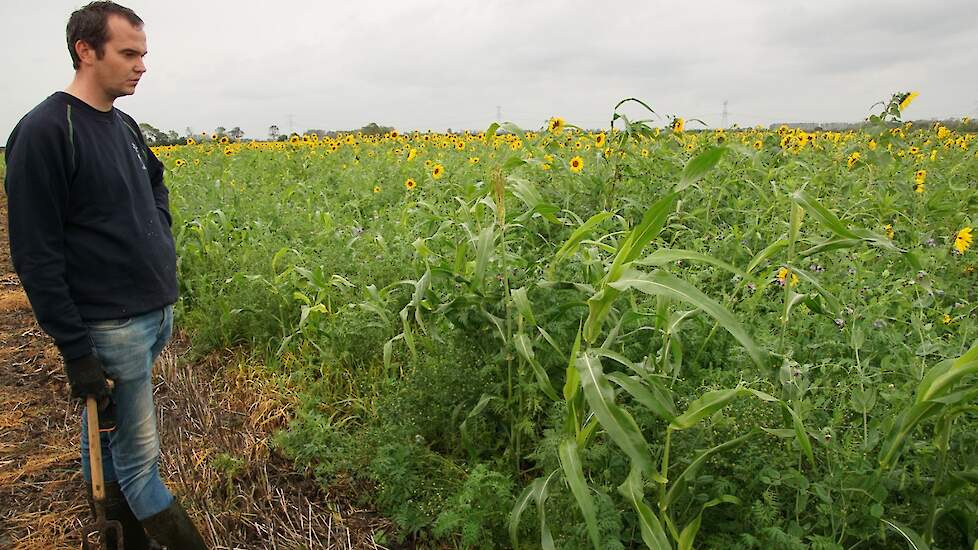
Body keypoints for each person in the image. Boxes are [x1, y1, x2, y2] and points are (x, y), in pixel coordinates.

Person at [3, 2, 206, 548]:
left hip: (151, 315)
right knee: (142, 465)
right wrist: (76, 351)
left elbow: (155, 182)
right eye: (129, 53)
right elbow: (36, 256)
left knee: (111, 436)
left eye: (144, 54)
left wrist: (157, 228)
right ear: (85, 51)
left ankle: (122, 538)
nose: (142, 66)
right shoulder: (46, 131)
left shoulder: (124, 125)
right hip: (110, 327)